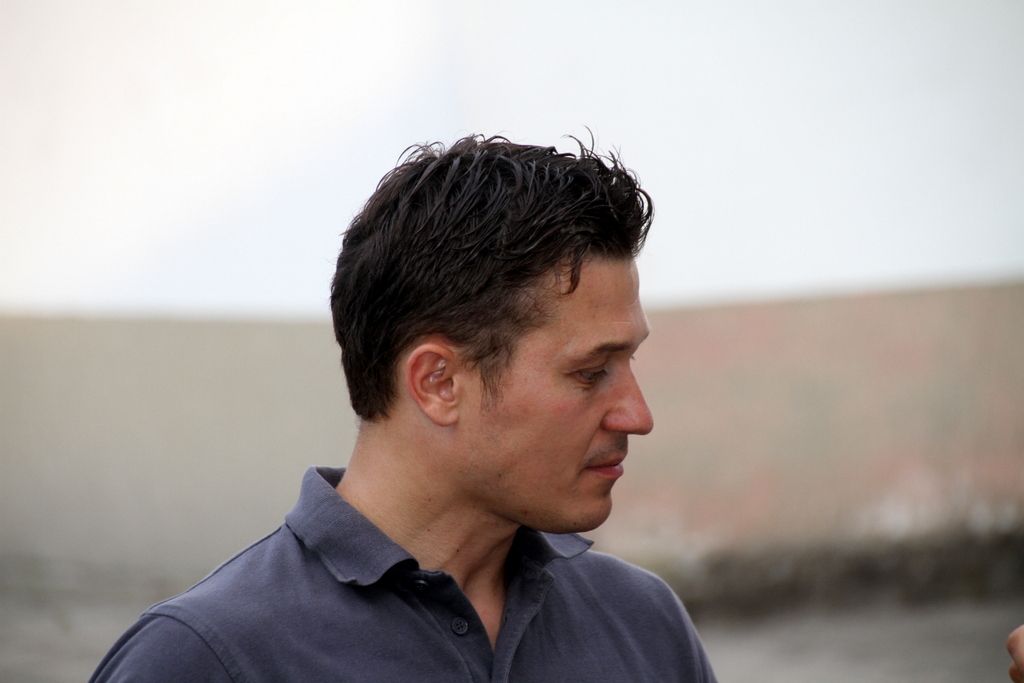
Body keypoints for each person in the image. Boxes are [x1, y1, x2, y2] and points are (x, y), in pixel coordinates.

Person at [91, 136, 718, 682]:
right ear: (438, 382)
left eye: (630, 363)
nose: (637, 415)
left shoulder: (644, 624)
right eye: (590, 373)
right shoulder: (205, 658)